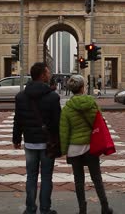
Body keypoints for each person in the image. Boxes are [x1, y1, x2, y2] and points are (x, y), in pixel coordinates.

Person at [59, 75, 113, 214]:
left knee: (79, 181)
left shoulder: (67, 108)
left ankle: (82, 210)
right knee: (97, 178)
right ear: (83, 87)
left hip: (74, 149)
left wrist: (63, 150)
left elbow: (64, 131)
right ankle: (105, 207)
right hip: (91, 147)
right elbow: (100, 123)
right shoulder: (92, 103)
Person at [13, 62, 61, 214]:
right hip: (47, 144)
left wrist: (16, 139)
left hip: (30, 143)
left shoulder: (21, 96)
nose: (49, 75)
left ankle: (30, 209)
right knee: (46, 177)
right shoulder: (53, 97)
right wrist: (59, 141)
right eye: (47, 72)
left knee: (31, 177)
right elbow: (56, 123)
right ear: (42, 75)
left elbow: (18, 119)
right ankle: (45, 210)